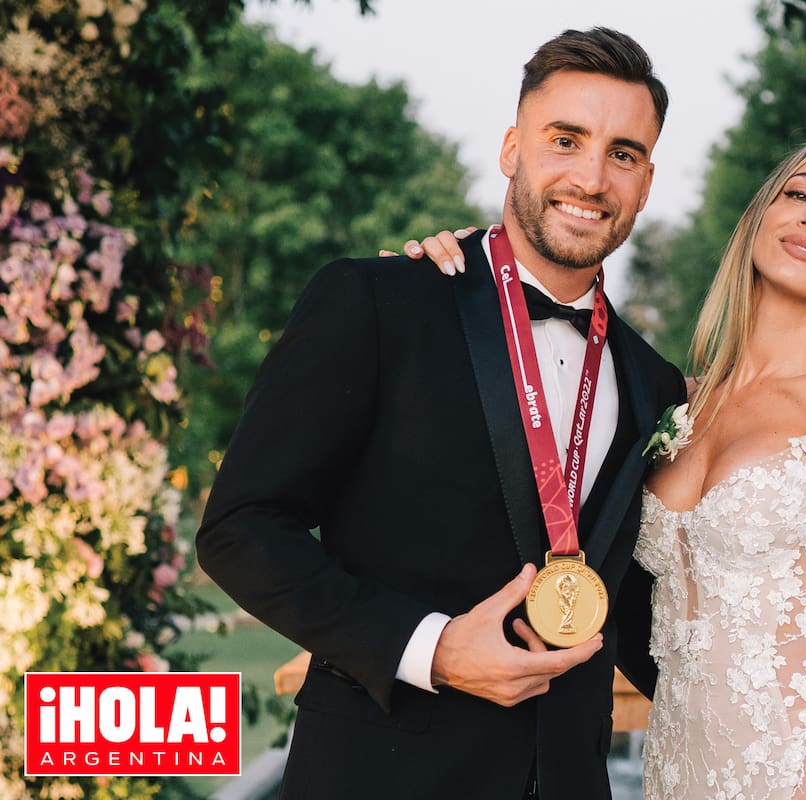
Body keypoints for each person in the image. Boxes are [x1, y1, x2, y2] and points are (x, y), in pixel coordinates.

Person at [195, 27, 684, 800]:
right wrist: (432, 647)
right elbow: (242, 529)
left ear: (647, 180)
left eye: (623, 153)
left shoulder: (657, 384)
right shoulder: (378, 301)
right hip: (380, 774)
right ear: (511, 148)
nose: (591, 177)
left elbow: (630, 604)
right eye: (566, 139)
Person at [408, 135, 806, 799]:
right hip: (679, 771)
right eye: (798, 194)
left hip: (804, 773)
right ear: (759, 220)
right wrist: (458, 273)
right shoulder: (670, 399)